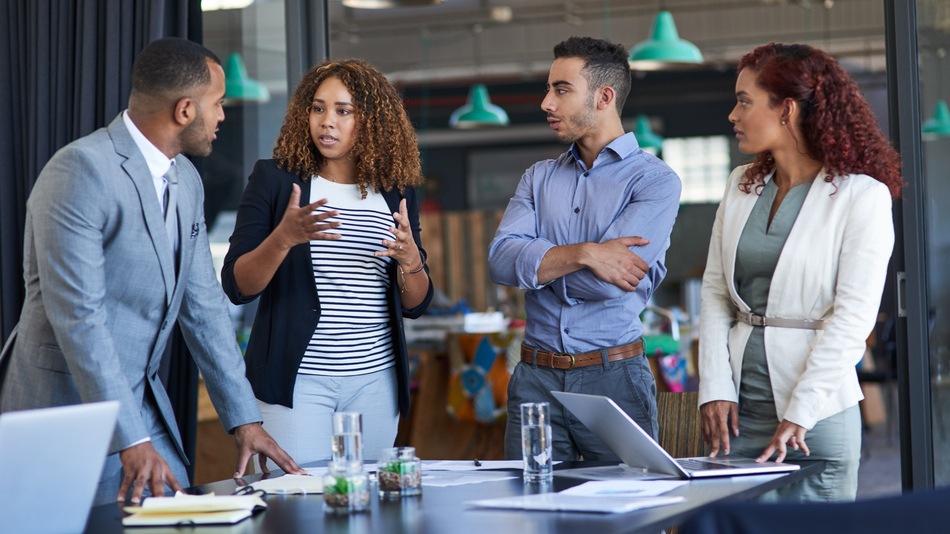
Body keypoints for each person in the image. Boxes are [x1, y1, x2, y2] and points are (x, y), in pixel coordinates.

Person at [0, 38, 303, 506]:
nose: (223, 116)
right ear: (185, 109)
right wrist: (130, 439)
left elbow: (203, 309)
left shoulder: (187, 184)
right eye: (218, 105)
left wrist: (246, 421)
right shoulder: (80, 170)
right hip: (64, 408)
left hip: (141, 408)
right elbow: (80, 318)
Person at [698, 42, 903, 502]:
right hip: (734, 418)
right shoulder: (740, 185)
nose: (733, 114)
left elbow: (852, 320)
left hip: (814, 422)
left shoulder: (860, 197)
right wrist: (713, 387)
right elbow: (714, 292)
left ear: (786, 109)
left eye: (744, 101)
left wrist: (801, 413)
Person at [220, 58, 433, 467]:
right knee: (297, 507)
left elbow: (416, 304)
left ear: (371, 121)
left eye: (342, 110)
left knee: (369, 505)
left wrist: (411, 261)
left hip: (376, 381)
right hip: (297, 381)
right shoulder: (276, 179)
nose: (326, 122)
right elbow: (238, 285)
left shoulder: (394, 190)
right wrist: (284, 238)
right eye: (318, 108)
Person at [488, 36, 682, 461]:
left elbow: (609, 287)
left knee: (627, 516)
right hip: (535, 379)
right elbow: (501, 261)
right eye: (548, 88)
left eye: (561, 89)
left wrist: (538, 263)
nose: (546, 103)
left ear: (604, 97)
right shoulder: (537, 177)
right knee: (531, 514)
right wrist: (587, 254)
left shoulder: (655, 182)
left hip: (614, 377)